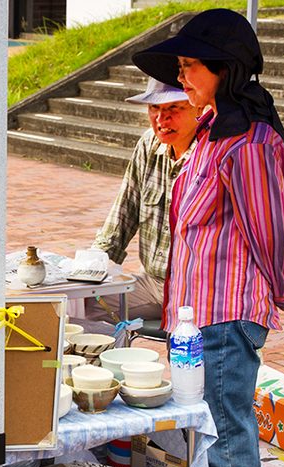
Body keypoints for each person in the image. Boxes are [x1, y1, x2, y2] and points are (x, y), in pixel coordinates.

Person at [132, 9, 284, 467]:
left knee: (225, 441)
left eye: (191, 65)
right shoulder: (212, 132)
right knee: (222, 437)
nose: (182, 76)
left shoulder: (249, 139)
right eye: (181, 64)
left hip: (226, 315)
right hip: (199, 315)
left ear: (226, 68)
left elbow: (271, 229)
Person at [86, 78, 201, 323]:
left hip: (199, 291)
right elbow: (123, 213)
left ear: (199, 109)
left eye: (174, 109)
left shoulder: (210, 155)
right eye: (154, 109)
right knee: (81, 304)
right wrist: (92, 266)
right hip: (153, 283)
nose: (161, 120)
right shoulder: (148, 144)